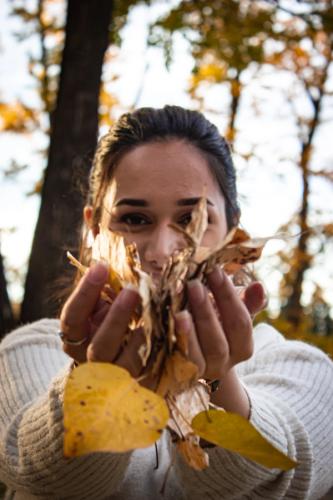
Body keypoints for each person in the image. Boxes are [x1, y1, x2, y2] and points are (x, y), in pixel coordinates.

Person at [0, 106, 332, 500]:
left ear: (234, 232)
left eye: (191, 219)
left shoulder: (301, 367)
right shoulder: (27, 353)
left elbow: (286, 472)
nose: (160, 251)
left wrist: (217, 383)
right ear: (93, 230)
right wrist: (94, 381)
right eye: (135, 219)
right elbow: (45, 474)